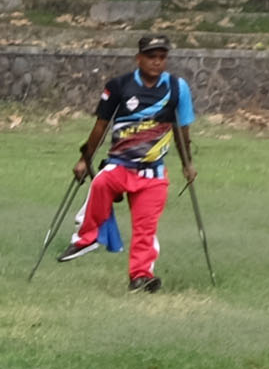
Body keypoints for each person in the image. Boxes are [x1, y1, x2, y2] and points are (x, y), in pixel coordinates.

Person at [66, 35, 195, 293]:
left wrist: (187, 164)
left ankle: (140, 277)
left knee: (145, 228)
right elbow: (101, 127)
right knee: (101, 183)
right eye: (151, 56)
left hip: (153, 172)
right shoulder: (119, 86)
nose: (157, 62)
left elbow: (183, 131)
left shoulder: (177, 88)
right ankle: (88, 238)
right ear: (139, 58)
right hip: (121, 164)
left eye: (162, 57)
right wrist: (84, 159)